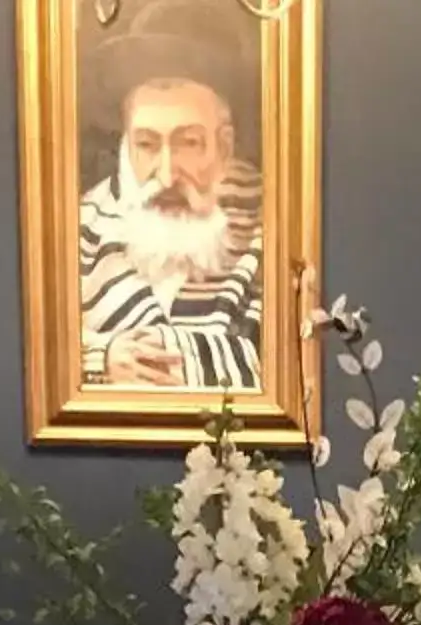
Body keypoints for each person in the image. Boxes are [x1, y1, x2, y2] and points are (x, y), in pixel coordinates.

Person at [78, 0, 262, 392]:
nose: (166, 173)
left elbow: (285, 361)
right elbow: (38, 352)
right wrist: (102, 358)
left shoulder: (274, 226)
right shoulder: (81, 227)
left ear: (224, 147)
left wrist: (161, 355)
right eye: (146, 144)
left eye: (188, 143)